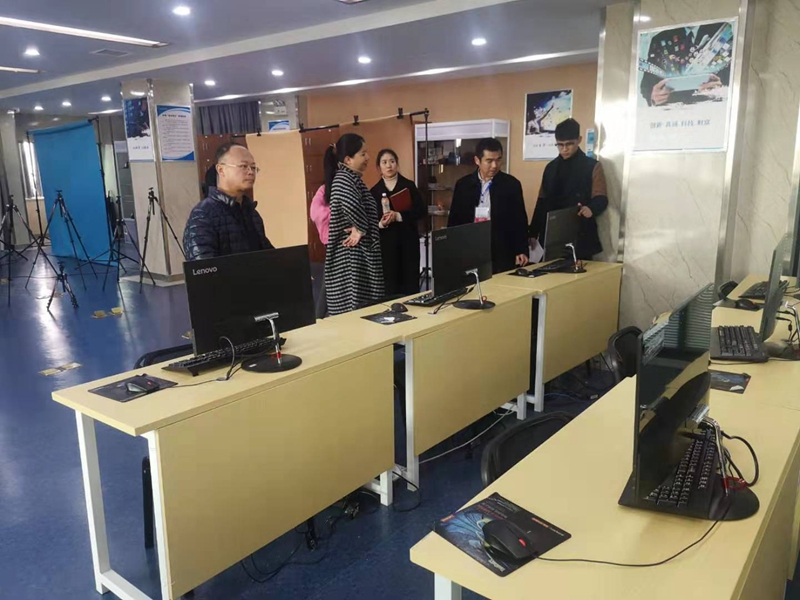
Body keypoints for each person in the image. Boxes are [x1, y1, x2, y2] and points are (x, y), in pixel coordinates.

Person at [529, 118, 608, 260]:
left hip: (581, 232)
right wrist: (533, 232)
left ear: (579, 140)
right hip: (553, 233)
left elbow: (601, 197)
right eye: (560, 145)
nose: (564, 149)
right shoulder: (551, 168)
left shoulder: (592, 166)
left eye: (569, 144)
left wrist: (591, 209)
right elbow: (541, 202)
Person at [447, 138, 529, 273]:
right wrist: (453, 250)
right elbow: (455, 221)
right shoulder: (463, 185)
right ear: (477, 160)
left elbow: (520, 220)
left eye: (498, 160)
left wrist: (521, 249)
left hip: (502, 247)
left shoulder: (511, 184)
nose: (495, 165)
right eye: (489, 161)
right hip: (471, 247)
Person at [324, 133, 384, 315]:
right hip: (351, 260)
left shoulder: (352, 178)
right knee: (356, 312)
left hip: (359, 257)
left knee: (365, 310)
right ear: (348, 160)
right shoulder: (343, 179)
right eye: (363, 154)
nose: (368, 157)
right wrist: (361, 228)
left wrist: (361, 228)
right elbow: (351, 204)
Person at [183, 143, 273, 261]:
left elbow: (269, 257)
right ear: (221, 170)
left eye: (253, 167)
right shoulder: (203, 214)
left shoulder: (252, 213)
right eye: (243, 166)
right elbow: (204, 266)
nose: (251, 172)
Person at [370, 149, 425, 296]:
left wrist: (399, 216)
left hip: (408, 242)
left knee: (410, 282)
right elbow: (370, 220)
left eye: (392, 161)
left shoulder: (408, 186)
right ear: (379, 167)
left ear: (397, 164)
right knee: (390, 284)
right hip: (386, 244)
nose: (389, 165)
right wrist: (381, 223)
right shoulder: (374, 191)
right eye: (384, 162)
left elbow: (421, 210)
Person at [639, 24, 731, 106]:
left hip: (710, 109)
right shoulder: (660, 39)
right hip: (671, 113)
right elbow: (647, 86)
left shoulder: (723, 32)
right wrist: (653, 96)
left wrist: (720, 91)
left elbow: (733, 83)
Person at [309, 184, 330, 318]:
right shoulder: (324, 189)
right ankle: (319, 316)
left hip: (356, 242)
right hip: (333, 242)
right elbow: (315, 213)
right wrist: (337, 213)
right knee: (328, 280)